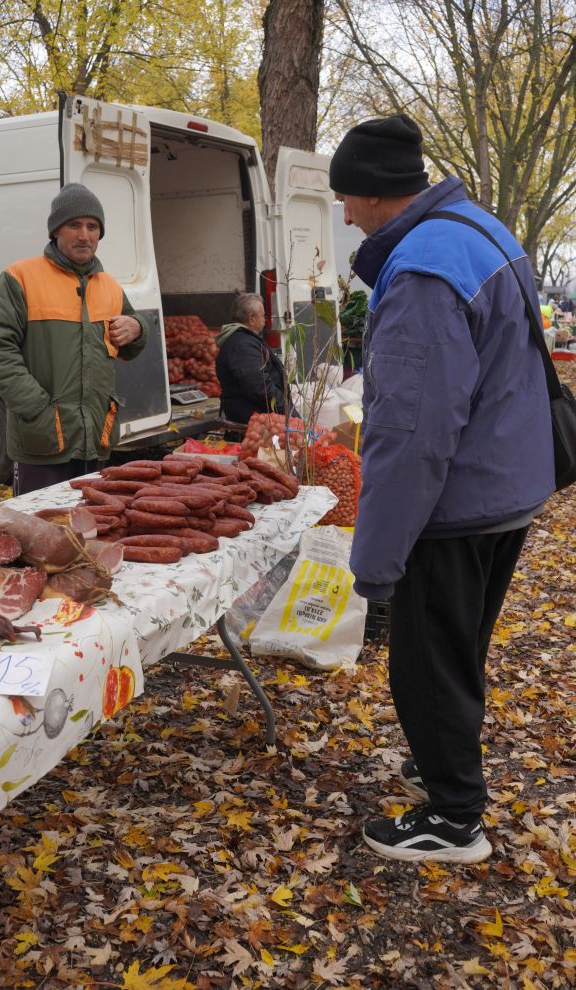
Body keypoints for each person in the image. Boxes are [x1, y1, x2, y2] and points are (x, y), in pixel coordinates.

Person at [329, 114, 554, 863]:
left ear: (371, 193)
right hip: (509, 481)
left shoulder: (425, 265)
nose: (344, 212)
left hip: (457, 503)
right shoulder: (476, 228)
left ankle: (455, 819)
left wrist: (376, 560)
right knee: (458, 649)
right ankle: (442, 764)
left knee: (426, 661)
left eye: (346, 198)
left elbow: (410, 434)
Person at [0, 183, 148, 495]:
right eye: (74, 225)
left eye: (92, 226)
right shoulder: (20, 278)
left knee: (88, 532)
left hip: (95, 440)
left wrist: (138, 327)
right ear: (56, 230)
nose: (84, 235)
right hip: (42, 442)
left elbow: (132, 343)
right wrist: (40, 411)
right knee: (39, 531)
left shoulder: (109, 286)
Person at [215, 292, 297, 425]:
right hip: (255, 419)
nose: (265, 320)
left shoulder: (243, 341)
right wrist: (288, 413)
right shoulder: (242, 345)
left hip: (260, 415)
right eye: (263, 316)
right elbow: (260, 387)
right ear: (251, 318)